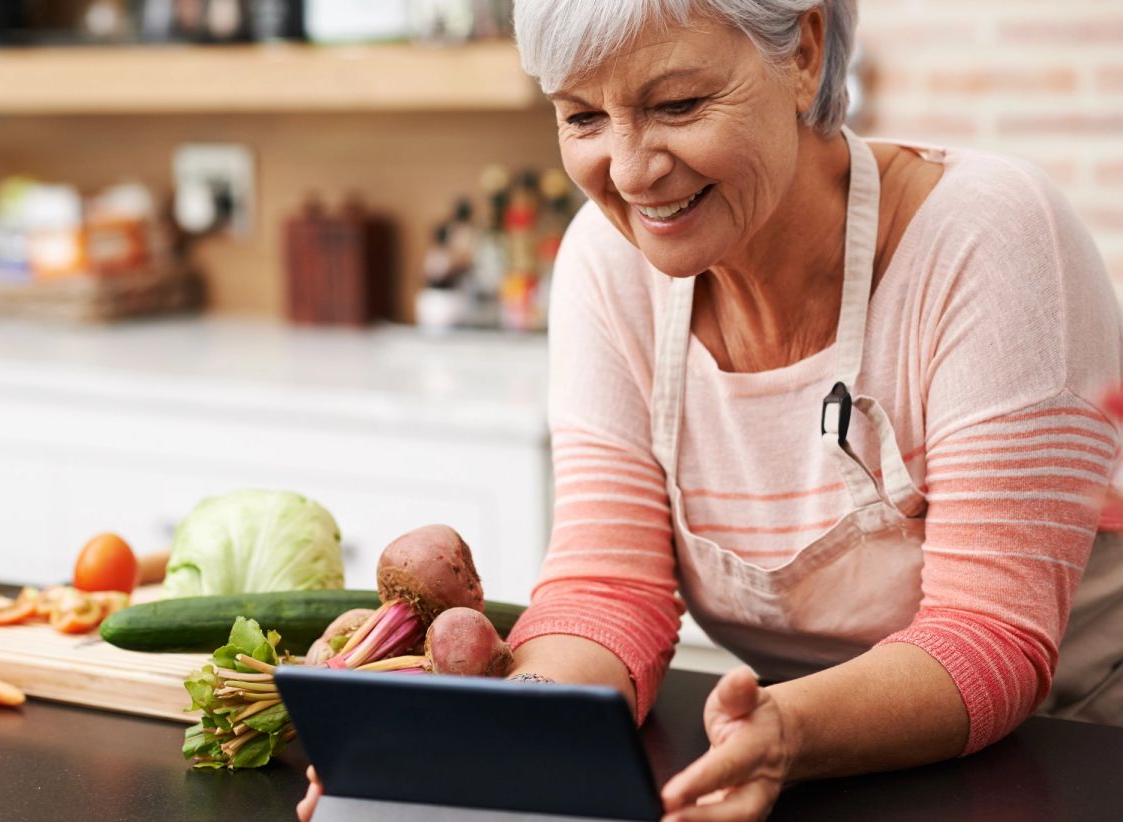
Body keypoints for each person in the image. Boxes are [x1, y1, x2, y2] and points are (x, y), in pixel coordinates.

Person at [300, 1, 1123, 819]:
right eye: (584, 116)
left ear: (804, 50)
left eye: (678, 105)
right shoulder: (607, 262)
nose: (628, 173)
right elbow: (606, 588)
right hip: (817, 755)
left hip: (1074, 749)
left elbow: (989, 636)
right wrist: (499, 738)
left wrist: (788, 730)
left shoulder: (989, 236)